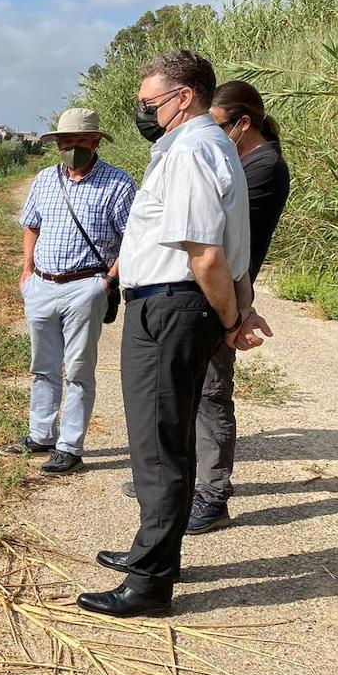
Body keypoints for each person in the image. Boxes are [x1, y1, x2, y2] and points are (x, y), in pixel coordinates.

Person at [76, 51, 271, 618]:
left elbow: (206, 254)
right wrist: (241, 305)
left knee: (158, 446)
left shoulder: (190, 150)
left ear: (183, 97)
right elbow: (233, 247)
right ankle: (155, 552)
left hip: (167, 308)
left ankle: (150, 582)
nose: (143, 110)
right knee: (173, 437)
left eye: (149, 101)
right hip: (176, 308)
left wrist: (234, 319)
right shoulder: (213, 148)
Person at [120, 80, 291, 534]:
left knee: (210, 393)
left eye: (216, 125)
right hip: (211, 288)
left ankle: (211, 494)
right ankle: (175, 492)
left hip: (215, 292)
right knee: (184, 397)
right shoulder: (230, 157)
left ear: (242, 124)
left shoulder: (262, 167)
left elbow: (219, 245)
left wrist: (236, 312)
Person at [0, 108, 136, 476]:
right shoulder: (44, 179)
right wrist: (27, 270)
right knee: (42, 366)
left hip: (86, 286)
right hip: (42, 284)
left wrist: (108, 281)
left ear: (95, 142)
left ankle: (70, 447)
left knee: (78, 369)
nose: (72, 147)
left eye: (79, 140)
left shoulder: (119, 184)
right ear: (57, 144)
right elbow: (31, 226)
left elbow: (133, 239)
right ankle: (40, 434)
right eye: (66, 141)